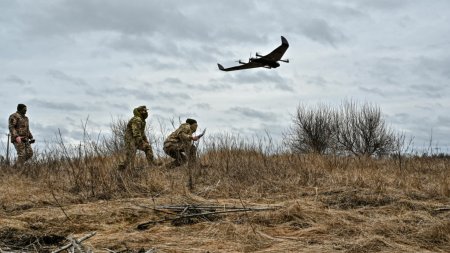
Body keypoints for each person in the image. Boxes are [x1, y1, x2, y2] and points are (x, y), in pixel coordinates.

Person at [119, 105, 159, 170]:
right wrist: (140, 141)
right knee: (130, 156)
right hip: (131, 140)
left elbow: (142, 133)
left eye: (146, 111)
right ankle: (121, 169)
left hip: (137, 139)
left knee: (147, 147)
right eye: (144, 111)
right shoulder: (137, 119)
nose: (145, 112)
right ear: (140, 112)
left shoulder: (142, 121)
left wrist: (145, 141)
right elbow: (136, 132)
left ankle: (151, 165)